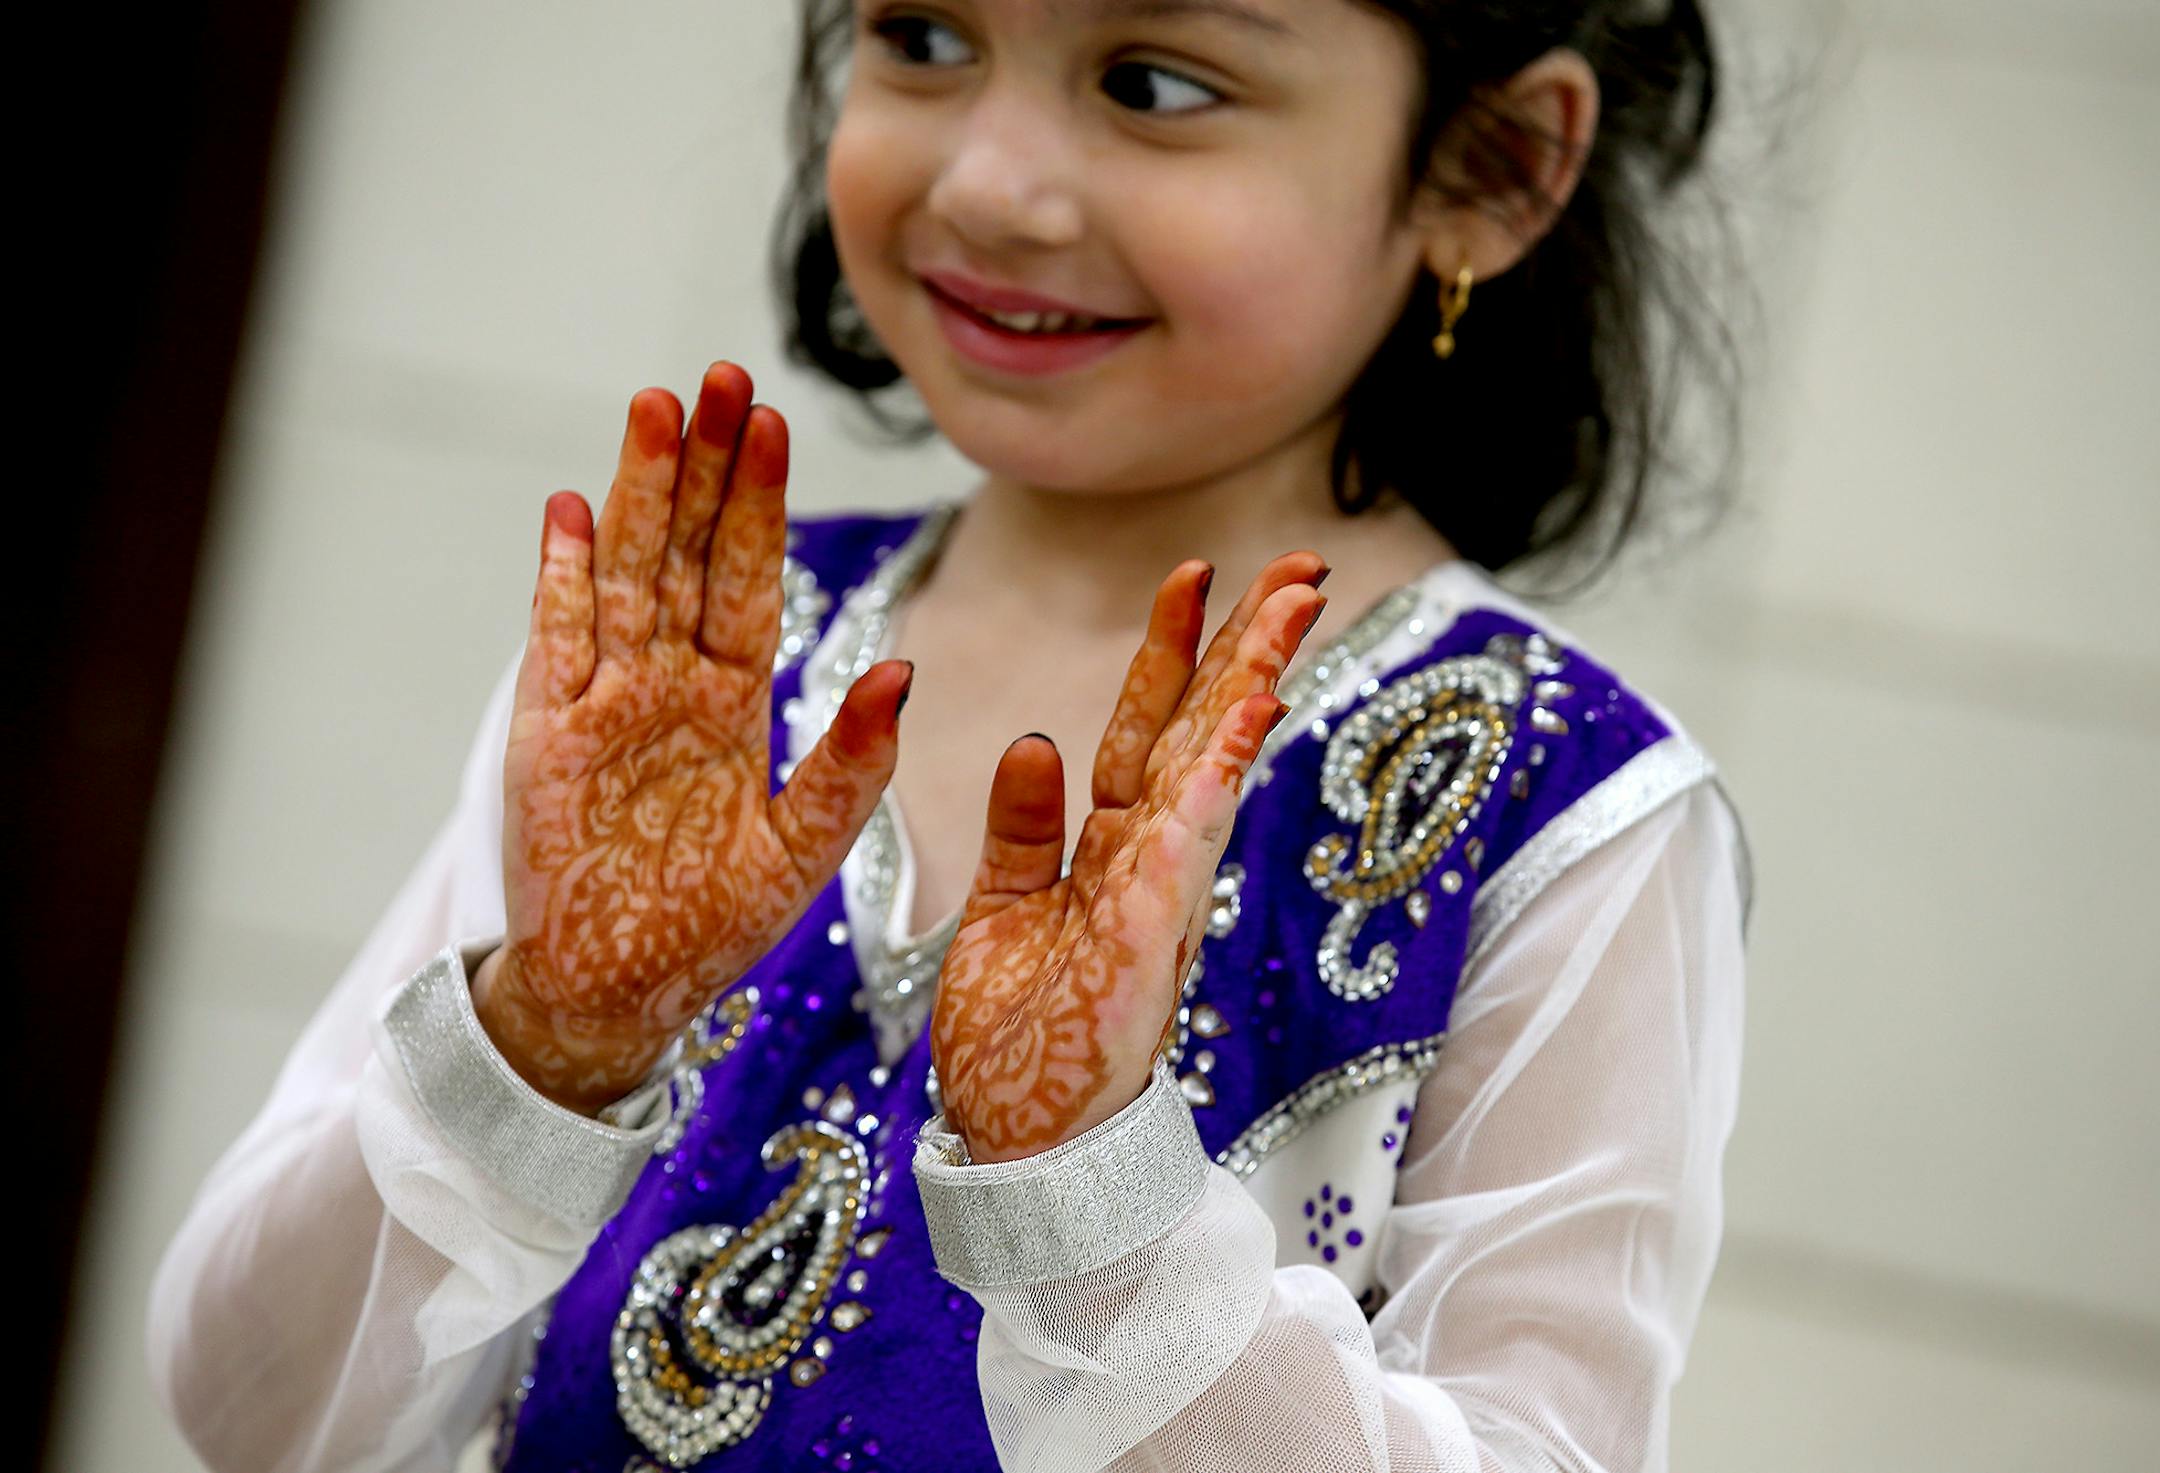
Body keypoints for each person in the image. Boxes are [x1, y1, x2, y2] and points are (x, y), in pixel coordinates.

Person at [148, 1, 1753, 1469]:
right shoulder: (687, 670)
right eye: (919, 34)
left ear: (1494, 166)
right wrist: (546, 1044)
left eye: (1155, 84)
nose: (990, 182)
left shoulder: (1565, 809)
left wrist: (1095, 1205)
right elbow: (253, 1411)